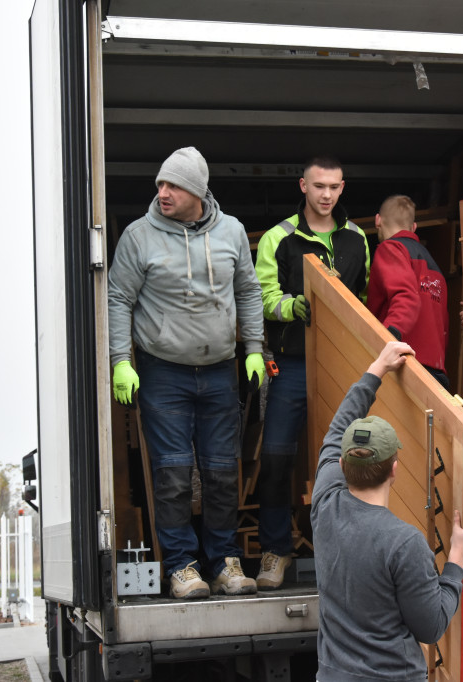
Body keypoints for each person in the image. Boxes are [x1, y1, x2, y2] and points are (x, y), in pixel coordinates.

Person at [108, 147, 266, 599]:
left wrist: (253, 349)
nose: (162, 193)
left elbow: (249, 291)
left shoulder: (231, 231)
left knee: (220, 474)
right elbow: (117, 298)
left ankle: (224, 563)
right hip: (164, 373)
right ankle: (182, 566)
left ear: (197, 191)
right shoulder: (140, 237)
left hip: (219, 371)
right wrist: (122, 361)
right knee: (174, 475)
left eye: (172, 185)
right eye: (160, 184)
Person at [311, 341, 463, 681]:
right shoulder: (403, 542)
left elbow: (337, 430)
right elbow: (431, 627)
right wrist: (457, 560)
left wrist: (377, 368)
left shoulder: (325, 505)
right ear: (394, 469)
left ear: (343, 464)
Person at [253, 156, 370, 589]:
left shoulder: (358, 238)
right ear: (303, 185)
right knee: (276, 459)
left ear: (343, 188)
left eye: (334, 187)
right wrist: (294, 306)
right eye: (318, 186)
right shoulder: (278, 238)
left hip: (343, 366)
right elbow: (264, 298)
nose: (326, 195)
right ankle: (275, 553)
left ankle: (353, 555)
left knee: (354, 461)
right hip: (293, 364)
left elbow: (363, 302)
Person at [366, 194, 456, 390]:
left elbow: (405, 297)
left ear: (377, 221)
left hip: (403, 367)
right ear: (414, 227)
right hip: (436, 372)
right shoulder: (434, 267)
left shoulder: (390, 248)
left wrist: (386, 341)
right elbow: (444, 324)